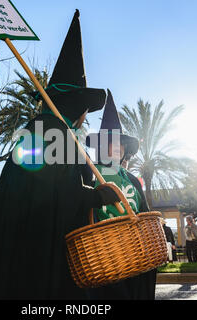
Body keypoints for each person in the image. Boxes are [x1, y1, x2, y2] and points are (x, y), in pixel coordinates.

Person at [0, 10, 121, 300]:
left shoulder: (41, 130)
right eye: (84, 109)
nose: (85, 117)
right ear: (75, 106)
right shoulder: (52, 132)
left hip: (26, 248)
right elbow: (54, 195)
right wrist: (97, 197)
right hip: (40, 254)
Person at [85, 89, 158, 300]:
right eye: (109, 142)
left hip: (134, 252)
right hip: (101, 254)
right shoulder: (88, 172)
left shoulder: (132, 179)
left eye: (119, 143)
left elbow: (143, 211)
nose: (115, 147)